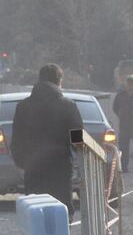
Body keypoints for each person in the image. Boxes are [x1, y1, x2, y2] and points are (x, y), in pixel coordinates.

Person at [10, 64, 83, 206]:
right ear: (59, 81)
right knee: (60, 212)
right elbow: (77, 140)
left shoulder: (23, 106)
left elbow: (17, 140)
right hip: (60, 169)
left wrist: (23, 163)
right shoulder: (68, 105)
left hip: (33, 168)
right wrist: (82, 159)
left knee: (37, 211)